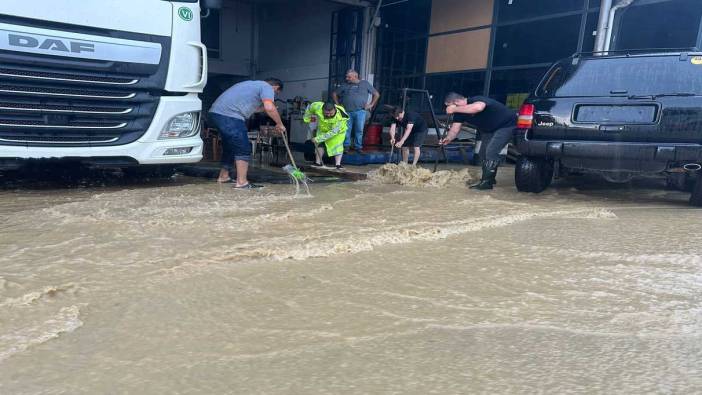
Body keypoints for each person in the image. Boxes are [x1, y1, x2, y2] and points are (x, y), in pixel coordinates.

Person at [208, 78, 285, 189]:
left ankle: (224, 176)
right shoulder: (267, 87)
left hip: (216, 113)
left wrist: (263, 109)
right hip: (230, 116)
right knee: (243, 147)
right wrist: (279, 124)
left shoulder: (250, 85)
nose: (273, 96)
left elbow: (251, 109)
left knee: (230, 146)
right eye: (276, 93)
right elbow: (270, 107)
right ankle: (242, 182)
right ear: (276, 87)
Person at [439, 92, 517, 190]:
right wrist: (448, 138)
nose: (448, 110)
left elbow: (478, 108)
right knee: (482, 153)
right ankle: (490, 178)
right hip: (490, 129)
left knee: (491, 151)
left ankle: (486, 183)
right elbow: (455, 129)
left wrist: (454, 108)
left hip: (507, 125)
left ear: (456, 102)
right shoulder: (459, 113)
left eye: (449, 106)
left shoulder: (477, 99)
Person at [332, 69, 380, 152]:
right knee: (346, 130)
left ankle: (358, 147)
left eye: (349, 77)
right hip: (346, 112)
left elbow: (376, 94)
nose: (347, 78)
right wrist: (338, 105)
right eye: (346, 77)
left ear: (355, 76)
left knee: (359, 130)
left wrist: (371, 105)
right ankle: (346, 146)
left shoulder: (364, 83)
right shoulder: (344, 85)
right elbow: (334, 94)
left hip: (360, 111)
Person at [303, 101, 349, 170]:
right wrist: (307, 118)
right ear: (322, 109)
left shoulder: (341, 117)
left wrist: (317, 138)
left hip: (337, 132)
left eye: (331, 113)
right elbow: (309, 108)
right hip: (323, 128)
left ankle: (338, 165)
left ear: (335, 109)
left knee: (338, 146)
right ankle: (318, 163)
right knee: (320, 144)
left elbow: (332, 133)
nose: (329, 115)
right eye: (326, 113)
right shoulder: (317, 106)